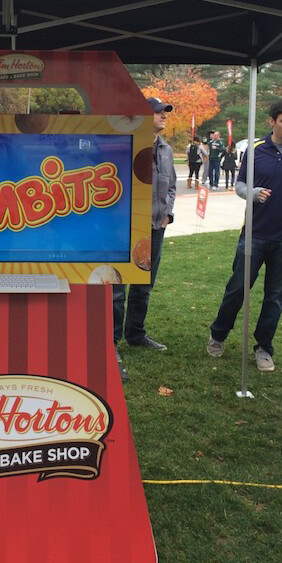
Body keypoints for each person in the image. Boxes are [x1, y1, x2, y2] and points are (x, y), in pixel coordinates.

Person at [207, 101, 282, 372]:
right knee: (237, 288)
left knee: (275, 296)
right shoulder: (256, 149)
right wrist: (253, 193)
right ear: (272, 121)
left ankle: (264, 348)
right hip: (254, 234)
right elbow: (240, 185)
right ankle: (218, 335)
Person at [113, 97, 176, 379]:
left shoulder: (166, 150)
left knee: (144, 285)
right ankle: (112, 340)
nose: (164, 116)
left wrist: (168, 214)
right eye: (159, 112)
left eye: (165, 113)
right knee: (117, 287)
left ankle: (136, 334)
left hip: (155, 227)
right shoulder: (126, 144)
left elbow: (171, 186)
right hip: (125, 227)